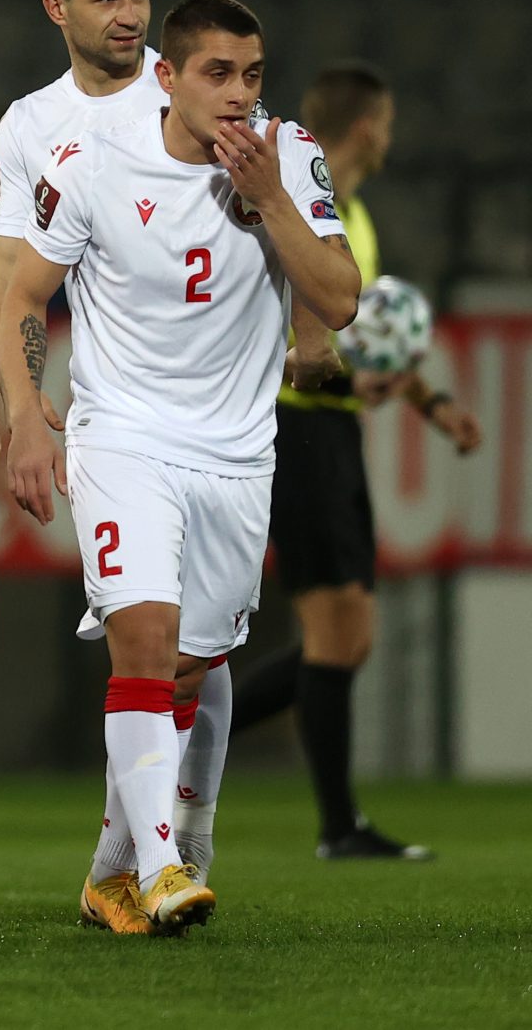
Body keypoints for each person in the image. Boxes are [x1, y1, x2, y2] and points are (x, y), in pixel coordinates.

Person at [0, 0, 360, 937]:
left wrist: (273, 198)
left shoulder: (291, 155)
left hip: (237, 453)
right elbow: (23, 295)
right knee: (145, 643)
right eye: (216, 74)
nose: (239, 95)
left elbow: (340, 297)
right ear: (167, 76)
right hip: (122, 437)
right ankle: (164, 868)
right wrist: (28, 419)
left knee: (192, 673)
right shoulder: (92, 164)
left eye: (252, 75)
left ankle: (114, 866)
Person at [229, 61, 482, 860]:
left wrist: (429, 403)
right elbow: (274, 330)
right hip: (299, 430)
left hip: (333, 430)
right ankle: (335, 824)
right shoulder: (297, 205)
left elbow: (352, 341)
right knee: (336, 635)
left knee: (349, 638)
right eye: (389, 119)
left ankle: (193, 720)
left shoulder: (349, 215)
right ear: (371, 123)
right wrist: (349, 372)